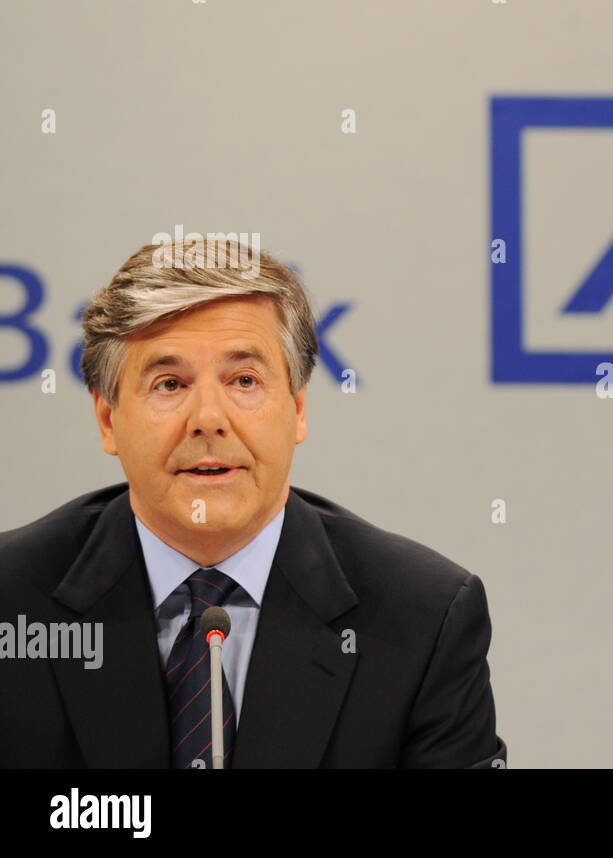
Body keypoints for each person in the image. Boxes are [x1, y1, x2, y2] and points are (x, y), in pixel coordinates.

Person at [0, 239, 506, 768]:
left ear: (297, 408)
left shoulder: (421, 617)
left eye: (244, 380)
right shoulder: (12, 601)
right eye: (169, 383)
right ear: (108, 419)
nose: (208, 418)